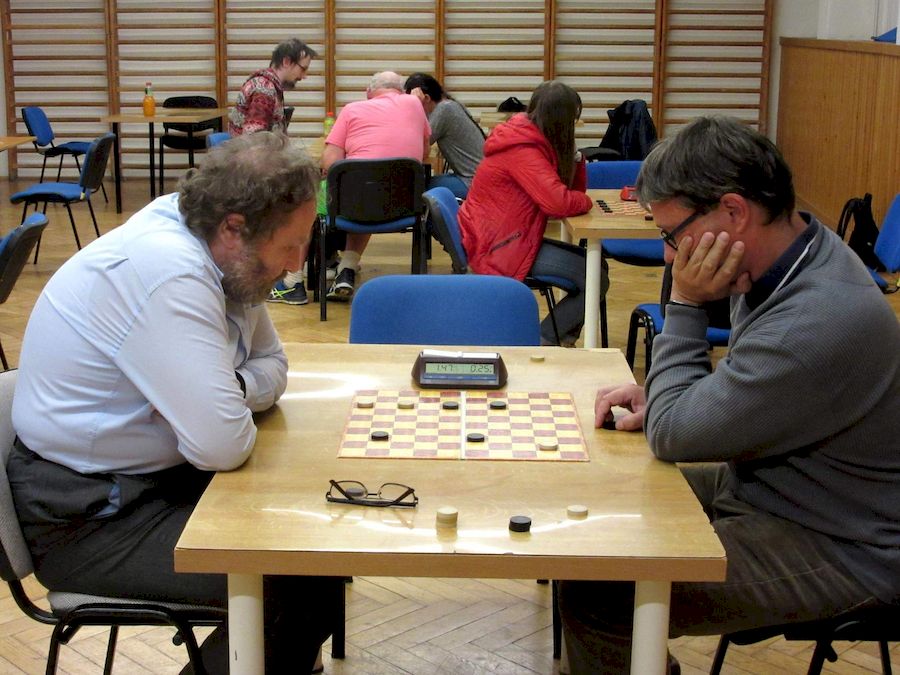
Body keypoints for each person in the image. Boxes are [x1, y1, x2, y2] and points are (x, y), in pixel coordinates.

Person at [559, 116, 900, 674]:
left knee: (602, 590)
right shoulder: (792, 252)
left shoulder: (817, 319)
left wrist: (686, 303)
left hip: (842, 542)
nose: (668, 256)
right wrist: (672, 398)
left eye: (672, 235)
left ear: (734, 211)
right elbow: (751, 386)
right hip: (776, 486)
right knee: (600, 509)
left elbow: (672, 435)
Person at [7, 132, 342, 675]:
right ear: (234, 226)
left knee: (322, 541)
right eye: (289, 245)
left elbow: (274, 368)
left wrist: (225, 390)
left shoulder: (226, 255)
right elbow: (223, 445)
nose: (296, 263)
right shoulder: (168, 271)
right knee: (295, 579)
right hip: (88, 515)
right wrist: (221, 403)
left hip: (153, 482)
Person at [457, 80, 607, 346]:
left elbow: (567, 192)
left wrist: (576, 158)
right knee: (595, 276)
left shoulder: (529, 137)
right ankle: (542, 341)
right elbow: (559, 203)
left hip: (507, 236)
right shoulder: (523, 149)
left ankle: (558, 338)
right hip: (498, 246)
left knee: (597, 267)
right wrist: (585, 201)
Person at [322, 70, 431, 300]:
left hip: (355, 207)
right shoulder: (414, 104)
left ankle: (316, 269)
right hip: (404, 206)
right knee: (377, 187)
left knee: (353, 190)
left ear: (368, 92)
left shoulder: (351, 109)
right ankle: (347, 267)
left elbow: (329, 164)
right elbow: (425, 153)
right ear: (400, 91)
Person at [229, 37, 319, 307]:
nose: (304, 76)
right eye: (302, 69)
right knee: (303, 203)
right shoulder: (265, 90)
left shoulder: (269, 86)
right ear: (287, 62)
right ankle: (290, 281)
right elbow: (254, 141)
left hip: (254, 171)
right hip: (251, 178)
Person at [404, 72, 484, 199]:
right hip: (477, 177)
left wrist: (413, 109)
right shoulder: (449, 104)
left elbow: (416, 145)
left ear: (426, 98)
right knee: (424, 181)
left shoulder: (443, 110)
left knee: (416, 188)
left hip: (473, 182)